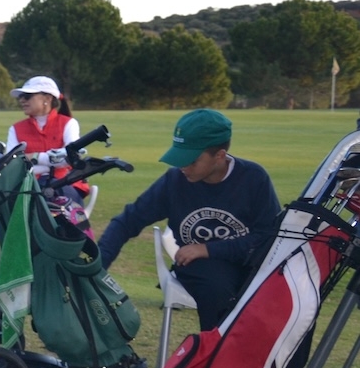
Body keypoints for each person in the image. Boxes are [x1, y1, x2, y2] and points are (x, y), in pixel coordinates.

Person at [97, 109, 280, 330]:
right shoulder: (175, 180)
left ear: (219, 156)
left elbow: (268, 237)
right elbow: (128, 221)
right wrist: (97, 267)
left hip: (248, 262)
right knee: (216, 287)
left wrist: (208, 249)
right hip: (198, 268)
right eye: (179, 159)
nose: (183, 166)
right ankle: (214, 350)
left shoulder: (254, 178)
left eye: (191, 161)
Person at [5, 75, 84, 201]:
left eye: (27, 96)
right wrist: (51, 164)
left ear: (47, 98)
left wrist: (35, 157)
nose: (22, 101)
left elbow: (71, 157)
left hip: (64, 183)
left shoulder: (69, 123)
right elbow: (11, 165)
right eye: (21, 97)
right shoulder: (15, 129)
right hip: (27, 186)